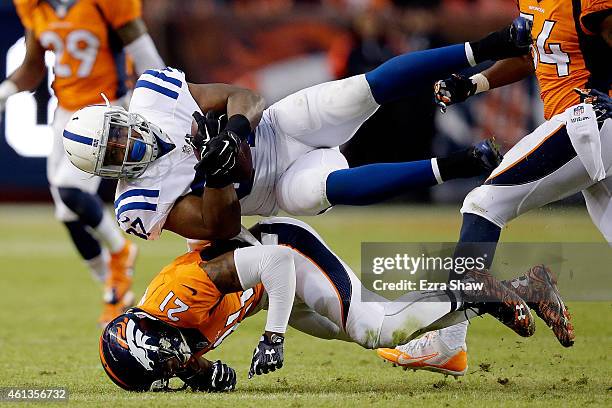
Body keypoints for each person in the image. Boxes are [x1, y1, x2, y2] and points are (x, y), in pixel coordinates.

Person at [62, 18, 533, 245]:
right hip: (273, 187)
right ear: (110, 170)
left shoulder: (153, 96)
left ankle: (491, 44)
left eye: (117, 133)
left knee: (364, 88)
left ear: (118, 116)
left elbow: (241, 96)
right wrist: (221, 177)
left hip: (276, 128)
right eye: (116, 152)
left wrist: (235, 131)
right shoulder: (136, 202)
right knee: (320, 190)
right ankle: (464, 164)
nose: (127, 145)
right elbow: (219, 230)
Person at [378, 0, 611, 375]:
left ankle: (447, 341)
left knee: (483, 205)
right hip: (586, 125)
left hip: (589, 118)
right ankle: (515, 296)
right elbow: (532, 55)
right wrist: (475, 83)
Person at [99, 216, 570, 392]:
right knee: (375, 327)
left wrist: (274, 336)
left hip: (283, 256)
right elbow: (212, 374)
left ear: (154, 336)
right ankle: (518, 289)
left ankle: (475, 289)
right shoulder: (168, 339)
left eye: (164, 362)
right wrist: (199, 376)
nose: (176, 365)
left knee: (374, 329)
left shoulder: (179, 294)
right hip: (265, 291)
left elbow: (278, 262)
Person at [0, 0, 165, 325]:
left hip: (108, 110)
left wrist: (163, 98)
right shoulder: (37, 7)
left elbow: (147, 56)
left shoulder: (103, 4)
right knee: (67, 212)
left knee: (70, 190)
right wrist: (4, 93)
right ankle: (114, 289)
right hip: (66, 113)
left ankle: (120, 253)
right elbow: (32, 68)